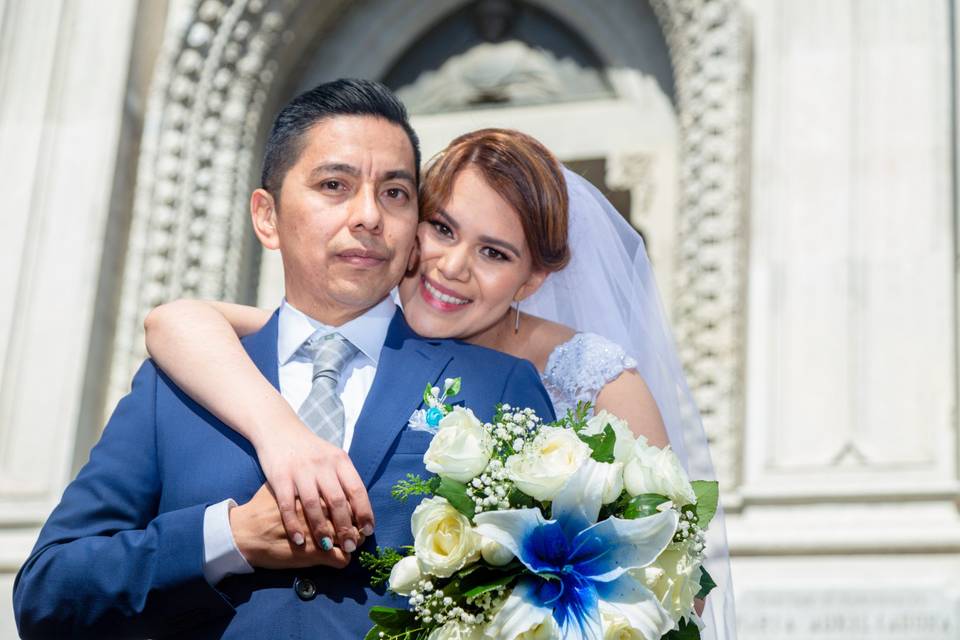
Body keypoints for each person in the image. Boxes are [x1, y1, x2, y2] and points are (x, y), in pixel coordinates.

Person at [12, 79, 555, 639]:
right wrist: (231, 538)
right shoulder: (173, 387)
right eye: (334, 184)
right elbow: (48, 593)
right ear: (266, 216)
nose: (369, 215)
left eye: (394, 192)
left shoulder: (498, 385)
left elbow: (553, 594)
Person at [142, 129, 737, 639]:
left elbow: (677, 575)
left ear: (531, 280)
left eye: (494, 253)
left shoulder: (591, 377)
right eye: (443, 229)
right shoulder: (367, 328)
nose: (453, 266)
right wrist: (281, 435)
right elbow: (175, 321)